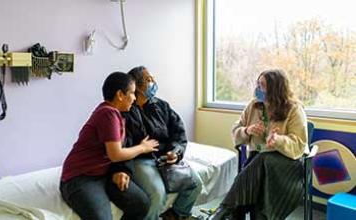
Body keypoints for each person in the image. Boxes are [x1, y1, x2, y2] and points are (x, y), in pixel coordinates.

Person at [209, 69, 308, 220]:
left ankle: (225, 211)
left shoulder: (294, 109)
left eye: (262, 85)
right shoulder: (253, 106)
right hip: (258, 161)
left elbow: (300, 145)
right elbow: (236, 130)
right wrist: (247, 131)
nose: (257, 89)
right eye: (257, 84)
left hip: (286, 164)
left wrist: (278, 140)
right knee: (257, 177)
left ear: (275, 89)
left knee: (259, 164)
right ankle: (230, 213)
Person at [60, 72, 159, 220]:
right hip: (80, 177)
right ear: (120, 94)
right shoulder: (108, 114)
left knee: (141, 204)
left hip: (103, 174)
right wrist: (143, 148)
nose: (134, 97)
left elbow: (115, 154)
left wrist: (122, 171)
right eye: (132, 93)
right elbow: (116, 154)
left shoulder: (116, 114)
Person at [121, 66, 202, 220]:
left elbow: (178, 133)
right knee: (158, 195)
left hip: (166, 158)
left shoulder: (161, 106)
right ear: (137, 87)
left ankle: (175, 215)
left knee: (195, 184)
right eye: (148, 80)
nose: (153, 82)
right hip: (142, 160)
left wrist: (176, 153)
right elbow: (123, 145)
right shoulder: (126, 111)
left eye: (152, 78)